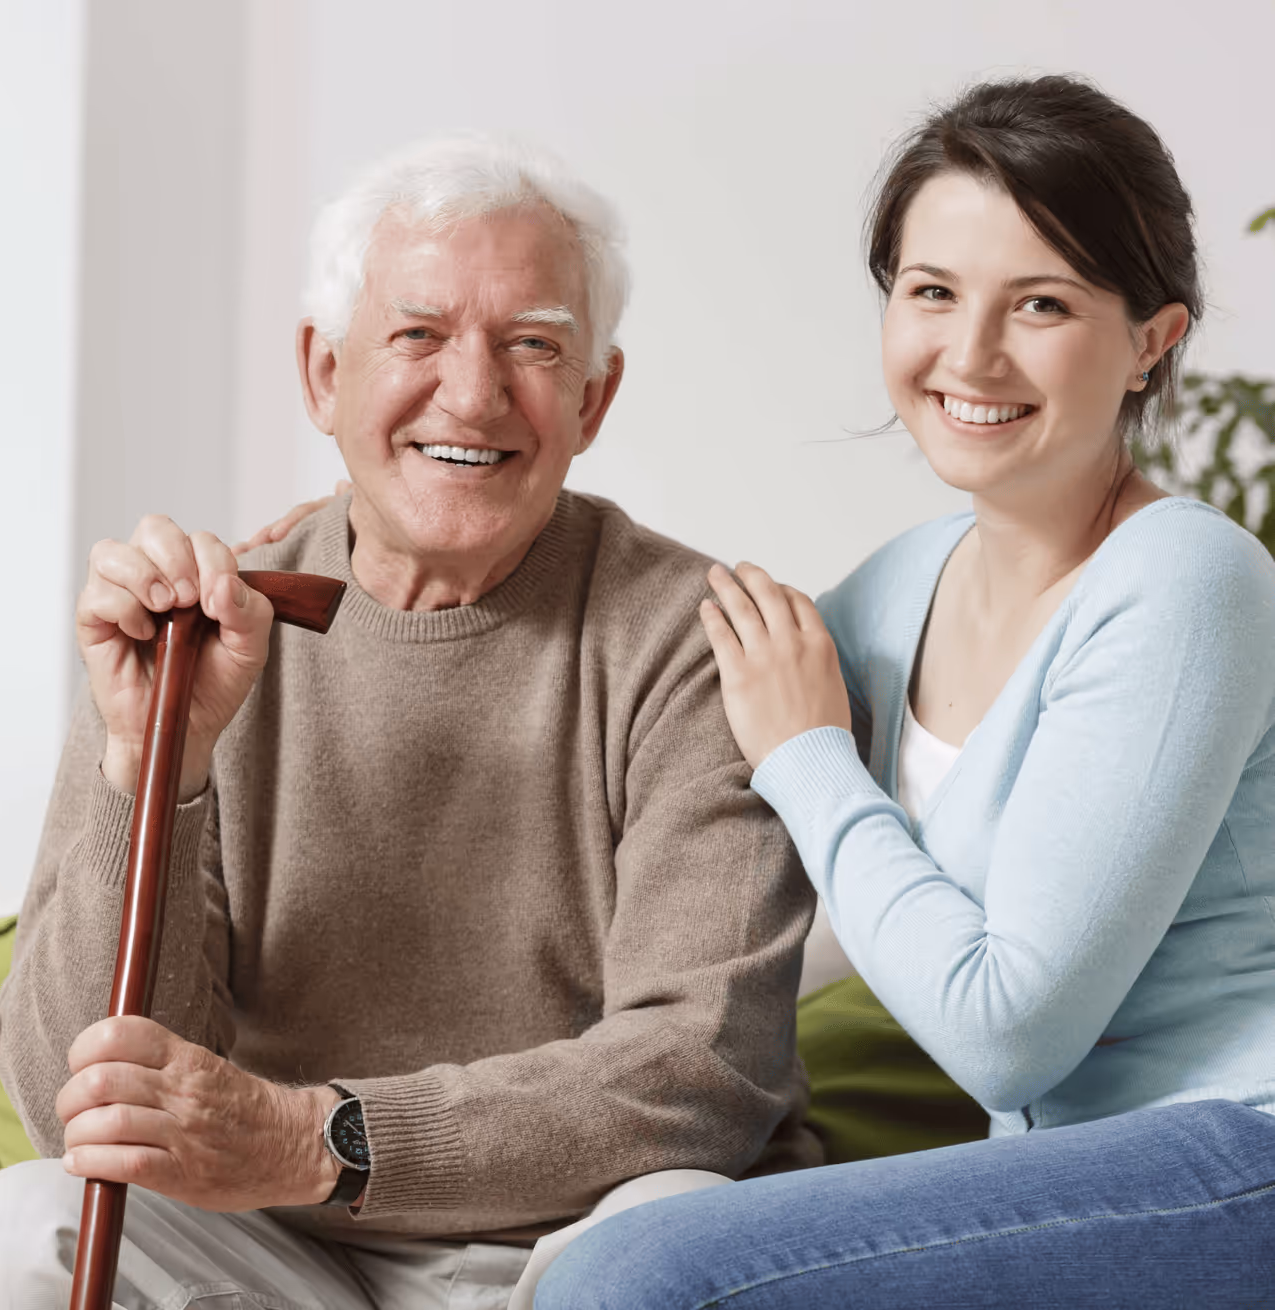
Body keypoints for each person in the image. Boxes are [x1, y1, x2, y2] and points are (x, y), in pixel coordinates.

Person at [0, 136, 820, 1308]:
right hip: (276, 1257)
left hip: (565, 1255)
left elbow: (699, 1066)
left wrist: (327, 1136)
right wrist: (151, 764)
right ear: (323, 373)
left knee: (673, 1235)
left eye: (532, 345)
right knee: (20, 1226)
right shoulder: (194, 624)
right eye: (416, 334)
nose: (470, 394)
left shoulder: (692, 637)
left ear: (594, 396)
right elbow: (79, 1095)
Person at [535, 74, 1275, 1308]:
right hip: (1065, 1168)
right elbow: (658, 684)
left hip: (1235, 1150)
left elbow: (1004, 1034)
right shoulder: (894, 591)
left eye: (1039, 303)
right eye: (931, 292)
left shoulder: (1186, 581)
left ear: (1153, 338)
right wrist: (370, 538)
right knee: (635, 1212)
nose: (969, 354)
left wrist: (812, 756)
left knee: (643, 1278)